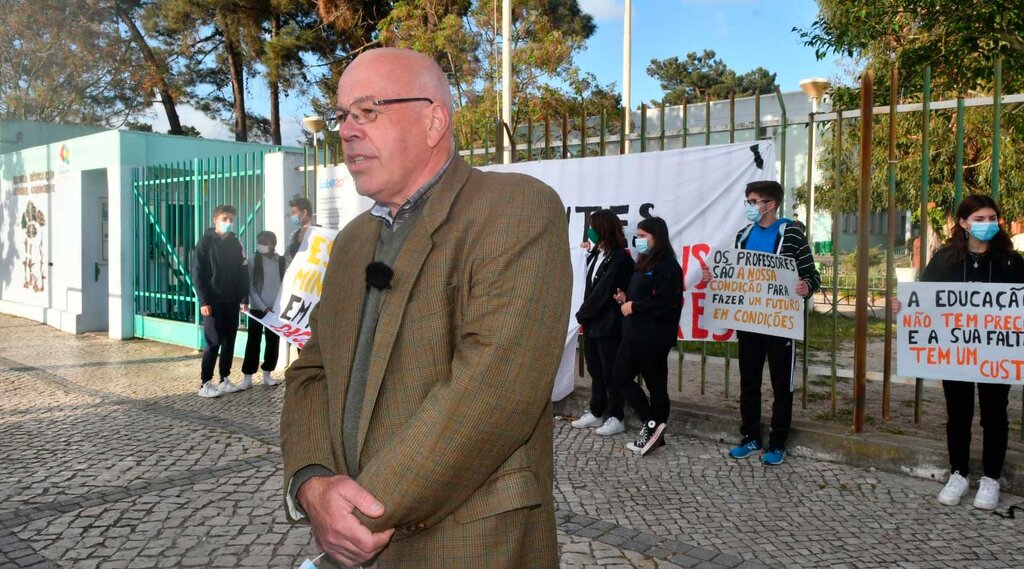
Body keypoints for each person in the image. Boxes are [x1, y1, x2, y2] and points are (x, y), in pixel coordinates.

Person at [279, 48, 571, 569]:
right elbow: (311, 372)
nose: (346, 130)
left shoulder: (515, 208)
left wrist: (355, 513)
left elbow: (494, 388)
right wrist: (312, 482)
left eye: (368, 110)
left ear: (434, 120)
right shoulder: (350, 243)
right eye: (342, 115)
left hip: (470, 547)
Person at [892, 195, 1024, 510]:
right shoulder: (945, 259)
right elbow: (923, 299)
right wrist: (904, 308)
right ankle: (959, 473)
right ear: (963, 223)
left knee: (995, 415)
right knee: (958, 413)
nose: (988, 224)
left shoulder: (1011, 261)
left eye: (992, 218)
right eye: (979, 219)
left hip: (995, 356)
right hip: (955, 355)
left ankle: (990, 479)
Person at [709, 180, 820, 466]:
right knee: (749, 382)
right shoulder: (742, 236)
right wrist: (717, 280)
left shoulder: (792, 234)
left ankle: (778, 442)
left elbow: (812, 275)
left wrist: (806, 286)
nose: (749, 206)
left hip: (780, 323)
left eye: (753, 201)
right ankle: (751, 436)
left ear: (769, 204)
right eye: (748, 201)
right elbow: (735, 275)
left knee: (782, 384)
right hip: (749, 322)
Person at [609, 216, 682, 456]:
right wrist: (626, 299)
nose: (638, 240)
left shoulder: (668, 265)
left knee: (655, 385)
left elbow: (665, 301)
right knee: (621, 377)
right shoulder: (644, 261)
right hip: (635, 333)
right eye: (637, 236)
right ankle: (653, 426)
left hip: (653, 337)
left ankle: (653, 428)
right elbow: (642, 294)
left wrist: (634, 307)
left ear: (656, 237)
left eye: (643, 236)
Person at [572, 210, 635, 436]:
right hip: (592, 324)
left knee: (611, 372)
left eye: (593, 226)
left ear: (604, 229)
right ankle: (597, 410)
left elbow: (604, 291)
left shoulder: (619, 258)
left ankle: (616, 415)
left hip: (609, 325)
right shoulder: (596, 255)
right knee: (595, 369)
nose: (590, 231)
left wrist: (582, 313)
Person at [192, 205, 249, 398]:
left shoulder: (236, 243)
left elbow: (243, 271)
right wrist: (203, 301)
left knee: (229, 341)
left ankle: (224, 378)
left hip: (231, 299)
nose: (228, 223)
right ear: (215, 220)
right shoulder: (205, 243)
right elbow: (198, 273)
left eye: (231, 219)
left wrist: (244, 297)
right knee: (214, 341)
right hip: (212, 300)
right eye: (224, 219)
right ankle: (205, 383)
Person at [240, 230, 284, 389]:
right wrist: (263, 306)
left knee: (273, 342)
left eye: (265, 242)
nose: (262, 245)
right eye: (260, 242)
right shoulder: (251, 261)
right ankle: (248, 376)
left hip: (276, 309)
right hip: (258, 308)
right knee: (253, 341)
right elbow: (250, 286)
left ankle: (267, 373)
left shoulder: (281, 261)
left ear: (273, 244)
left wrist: (276, 306)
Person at [286, 195, 315, 262]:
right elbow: (289, 257)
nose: (291, 216)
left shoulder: (319, 232)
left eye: (294, 213)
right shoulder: (295, 235)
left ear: (304, 212)